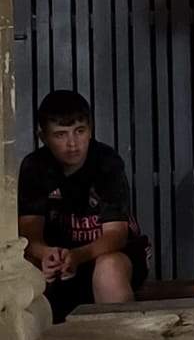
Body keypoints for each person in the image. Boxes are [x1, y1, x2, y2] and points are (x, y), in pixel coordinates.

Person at [16, 90, 148, 323]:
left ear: (91, 130)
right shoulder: (34, 167)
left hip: (105, 255)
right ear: (43, 136)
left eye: (80, 131)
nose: (72, 143)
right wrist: (46, 254)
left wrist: (77, 256)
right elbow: (28, 234)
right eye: (60, 135)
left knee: (109, 270)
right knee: (22, 272)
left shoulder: (106, 162)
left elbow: (116, 235)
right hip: (58, 262)